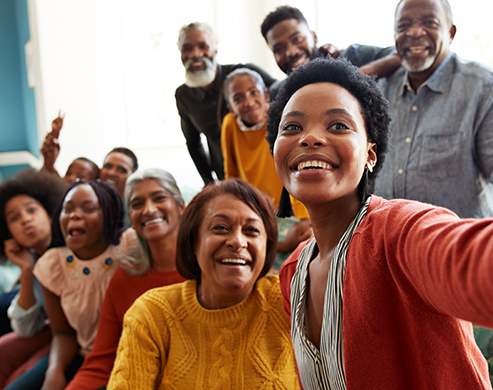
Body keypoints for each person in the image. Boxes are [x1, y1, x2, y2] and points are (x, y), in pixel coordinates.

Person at [266, 57, 493, 389]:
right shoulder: (293, 271)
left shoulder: (399, 232)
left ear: (370, 154)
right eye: (292, 127)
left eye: (338, 126)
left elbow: (470, 259)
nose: (310, 138)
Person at [108, 179, 299, 389]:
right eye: (220, 228)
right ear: (194, 242)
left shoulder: (290, 299)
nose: (237, 241)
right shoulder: (151, 314)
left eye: (251, 230)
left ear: (267, 246)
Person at [66, 169, 186, 390]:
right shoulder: (126, 275)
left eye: (159, 198)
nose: (149, 210)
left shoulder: (207, 271)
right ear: (130, 217)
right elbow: (101, 361)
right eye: (137, 204)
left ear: (181, 207)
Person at [374, 0, 493, 219]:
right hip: (388, 246)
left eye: (430, 22)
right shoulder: (381, 89)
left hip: (457, 248)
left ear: (451, 32)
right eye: (403, 25)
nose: (415, 32)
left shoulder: (482, 88)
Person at [5, 180, 125, 390]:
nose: (74, 215)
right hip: (83, 353)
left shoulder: (128, 247)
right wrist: (55, 370)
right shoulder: (50, 265)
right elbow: (61, 332)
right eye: (67, 209)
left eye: (88, 208)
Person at [221, 68, 312, 257]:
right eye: (238, 99)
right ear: (230, 108)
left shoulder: (280, 119)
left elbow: (295, 164)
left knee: (303, 240)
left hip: (287, 206)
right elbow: (231, 171)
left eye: (254, 93)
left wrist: (304, 216)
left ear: (265, 95)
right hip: (254, 205)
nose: (248, 102)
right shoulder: (229, 124)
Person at [175, 22, 276, 183]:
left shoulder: (244, 75)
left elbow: (283, 88)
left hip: (264, 171)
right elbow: (194, 144)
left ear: (215, 48)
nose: (195, 54)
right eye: (187, 48)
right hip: (227, 177)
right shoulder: (183, 95)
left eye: (203, 46)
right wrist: (209, 182)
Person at [0, 169, 67, 388]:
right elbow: (27, 329)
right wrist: (26, 270)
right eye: (14, 218)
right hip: (57, 337)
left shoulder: (73, 250)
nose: (25, 219)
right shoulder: (34, 262)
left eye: (31, 210)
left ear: (49, 213)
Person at [260, 5, 401, 99]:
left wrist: (349, 78)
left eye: (297, 39)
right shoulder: (278, 92)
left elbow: (399, 54)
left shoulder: (352, 56)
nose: (291, 52)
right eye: (279, 49)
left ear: (313, 36)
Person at [40, 113, 100, 184]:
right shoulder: (61, 190)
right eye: (68, 174)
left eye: (80, 177)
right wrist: (53, 137)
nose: (71, 178)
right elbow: (49, 170)